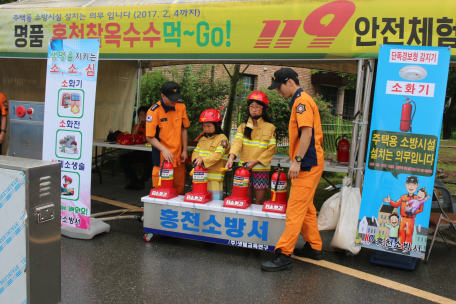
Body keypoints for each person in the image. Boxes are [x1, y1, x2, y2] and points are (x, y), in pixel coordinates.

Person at [261, 68, 324, 272]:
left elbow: (306, 134)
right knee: (306, 207)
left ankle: (284, 254)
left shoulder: (302, 102)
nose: (278, 91)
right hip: (311, 161)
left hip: (307, 163)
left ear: (289, 82)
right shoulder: (301, 100)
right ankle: (314, 247)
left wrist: (297, 160)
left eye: (279, 87)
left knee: (295, 209)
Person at [225, 91, 276, 205]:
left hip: (261, 169)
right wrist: (231, 158)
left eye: (257, 106)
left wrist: (256, 162)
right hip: (244, 169)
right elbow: (237, 142)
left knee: (259, 202)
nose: (253, 109)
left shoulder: (270, 127)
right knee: (245, 200)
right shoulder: (243, 126)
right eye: (251, 106)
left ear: (264, 108)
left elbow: (271, 149)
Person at [146, 82, 190, 195]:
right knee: (161, 192)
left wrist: (185, 150)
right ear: (163, 96)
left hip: (179, 159)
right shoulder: (154, 111)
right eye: (171, 99)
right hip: (163, 160)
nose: (174, 101)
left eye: (176, 98)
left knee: (179, 192)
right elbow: (149, 137)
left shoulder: (181, 106)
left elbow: (183, 129)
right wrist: (164, 149)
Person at [192, 109, 230, 200]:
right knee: (199, 200)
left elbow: (218, 155)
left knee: (214, 203)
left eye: (209, 126)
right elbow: (195, 152)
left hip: (215, 178)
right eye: (204, 126)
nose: (206, 129)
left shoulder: (223, 139)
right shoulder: (203, 139)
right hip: (200, 176)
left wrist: (202, 160)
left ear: (217, 125)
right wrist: (195, 160)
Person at [382, 175, 422, 253]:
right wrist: (390, 201)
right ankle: (400, 246)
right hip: (402, 218)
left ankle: (407, 248)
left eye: (413, 185)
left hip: (410, 218)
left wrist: (413, 212)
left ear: (417, 186)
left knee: (409, 233)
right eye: (409, 185)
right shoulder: (403, 197)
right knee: (401, 233)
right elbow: (396, 204)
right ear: (406, 185)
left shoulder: (418, 198)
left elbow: (420, 209)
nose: (411, 187)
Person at [120, 106, 153, 190]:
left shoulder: (152, 125)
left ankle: (142, 182)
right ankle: (133, 179)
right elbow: (132, 136)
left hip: (149, 153)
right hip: (139, 152)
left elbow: (150, 138)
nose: (143, 117)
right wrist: (139, 124)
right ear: (138, 116)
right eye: (141, 115)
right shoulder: (136, 126)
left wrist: (147, 124)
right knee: (123, 158)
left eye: (145, 115)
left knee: (150, 162)